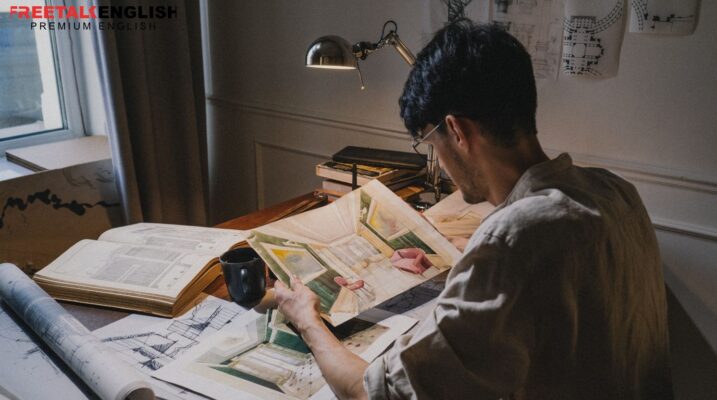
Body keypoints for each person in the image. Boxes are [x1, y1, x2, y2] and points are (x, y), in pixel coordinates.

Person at [275, 20, 672, 399]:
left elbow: (374, 394)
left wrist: (306, 319)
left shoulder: (513, 240)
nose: (440, 159)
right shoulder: (614, 191)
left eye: (432, 143)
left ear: (457, 131)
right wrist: (464, 257)